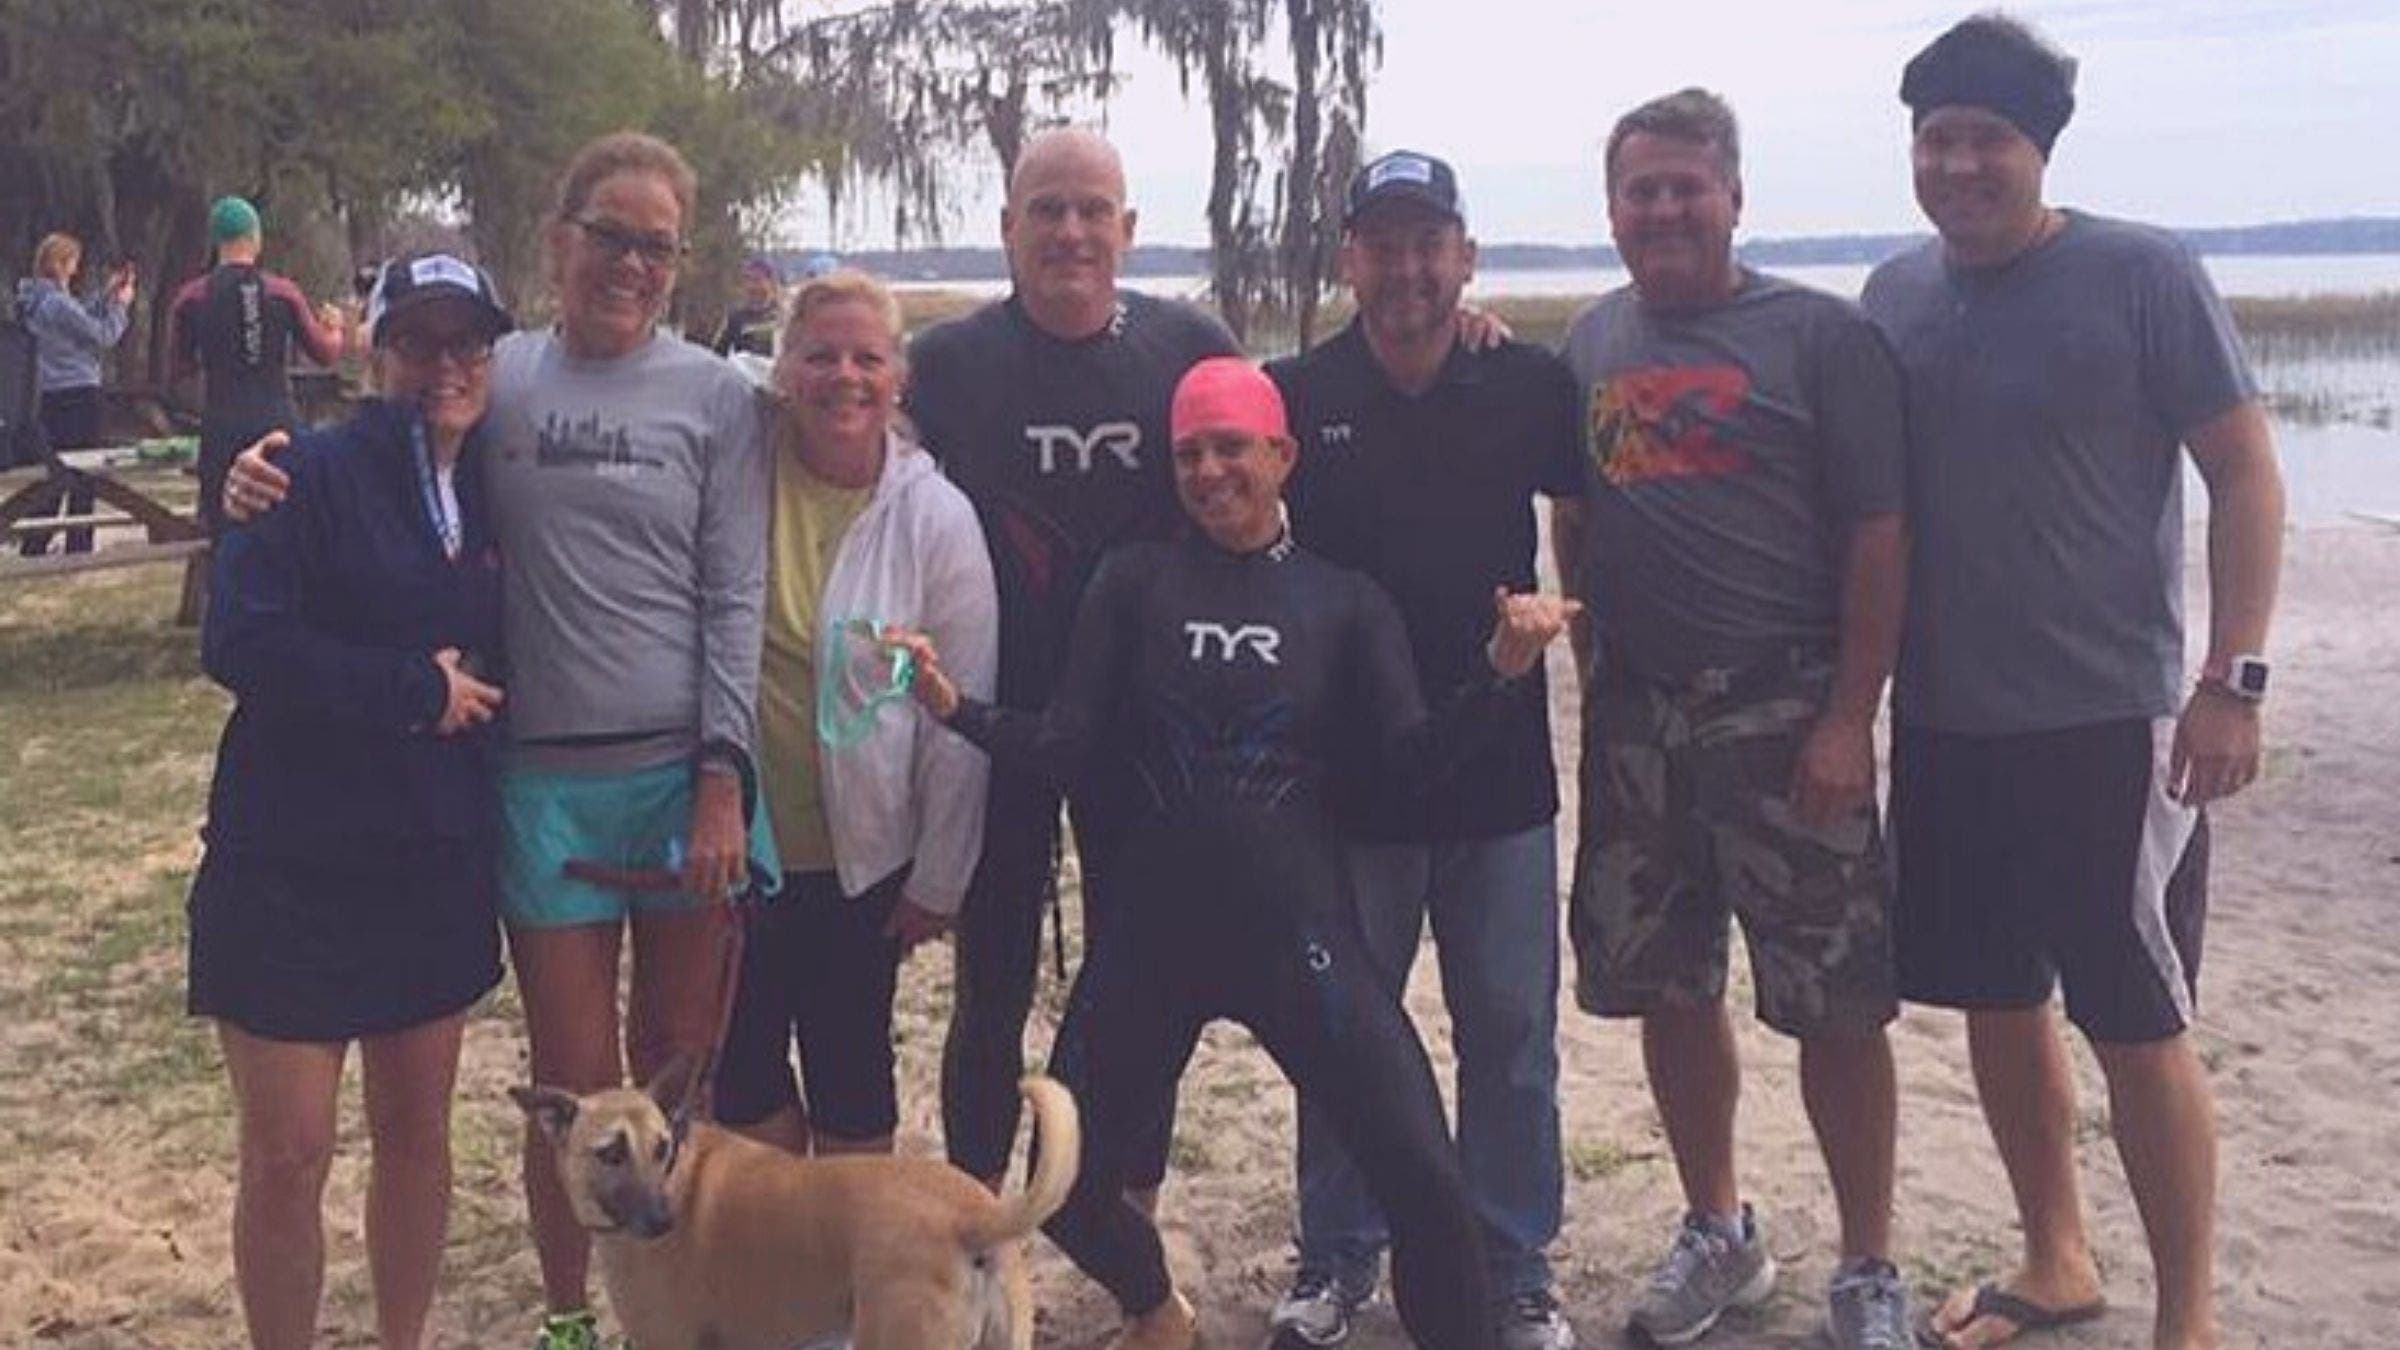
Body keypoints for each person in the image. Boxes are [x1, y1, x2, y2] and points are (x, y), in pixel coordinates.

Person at [890, 356, 1579, 1350]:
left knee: (1428, 1187)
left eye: (1232, 448)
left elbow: (1407, 770)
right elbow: (1072, 746)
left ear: (1284, 455)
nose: (1210, 470)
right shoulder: (1133, 583)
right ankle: (1161, 1310)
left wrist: (1501, 675)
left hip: (1302, 938)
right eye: (1189, 453)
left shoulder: (1346, 603)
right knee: (1066, 1191)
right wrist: (956, 709)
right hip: (1150, 938)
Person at [222, 132, 777, 1350]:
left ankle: (685, 1313)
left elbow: (739, 590)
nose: (629, 263)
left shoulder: (722, 395)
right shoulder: (500, 375)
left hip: (683, 772)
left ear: (679, 262)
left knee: (682, 1070)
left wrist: (725, 779)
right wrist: (260, 477)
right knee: (575, 1094)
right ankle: (574, 1318)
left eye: (655, 244)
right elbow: (380, 461)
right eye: (608, 236)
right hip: (537, 784)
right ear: (559, 238)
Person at [1860, 18, 2284, 1350]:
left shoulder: (2141, 274)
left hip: (2115, 721)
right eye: (1938, 139)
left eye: (1988, 139)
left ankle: (2191, 1316)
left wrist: (2235, 678)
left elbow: (2248, 472)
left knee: (2136, 1016)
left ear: (2039, 148)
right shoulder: (1894, 296)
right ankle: (2057, 1256)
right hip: (1942, 719)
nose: (1960, 163)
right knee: (1994, 996)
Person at [1552, 88, 1911, 1350]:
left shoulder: (1821, 337)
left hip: (1786, 710)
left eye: (1684, 186)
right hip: (1640, 722)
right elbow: (1578, 517)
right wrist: (1596, 652)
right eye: (1639, 190)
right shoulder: (1592, 341)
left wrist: (1847, 714)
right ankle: (1720, 1229)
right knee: (1669, 984)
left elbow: (1880, 536)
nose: (1661, 209)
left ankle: (1869, 1262)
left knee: (1837, 998)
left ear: (1734, 195)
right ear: (1612, 209)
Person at [1261, 150, 1584, 1350]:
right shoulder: (1290, 392)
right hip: (1345, 783)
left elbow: (1592, 531)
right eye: (1383, 244)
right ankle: (1338, 1252)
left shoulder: (1533, 384)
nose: (1407, 268)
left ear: (1465, 257)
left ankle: (1512, 1265)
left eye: (1428, 243)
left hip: (1501, 777)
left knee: (1510, 1034)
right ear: (1348, 259)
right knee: (1345, 1025)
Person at [903, 126, 1241, 1201]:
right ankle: (970, 1213)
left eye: (1093, 209)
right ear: (1007, 230)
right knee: (990, 988)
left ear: (1129, 230)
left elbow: (1274, 473)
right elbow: (848, 452)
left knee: (1143, 976)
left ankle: (1125, 1207)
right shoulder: (950, 363)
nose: (1070, 231)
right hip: (996, 716)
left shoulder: (1192, 345)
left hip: (1146, 726)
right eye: (1046, 209)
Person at [191, 252, 514, 1350]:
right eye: (418, 341)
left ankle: (401, 1340)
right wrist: (413, 689)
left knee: (417, 1134)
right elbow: (238, 640)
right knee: (288, 1151)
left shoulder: (499, 480)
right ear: (374, 353)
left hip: (431, 853)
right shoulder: (300, 471)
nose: (444, 366)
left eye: (466, 342)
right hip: (291, 857)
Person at [711, 268, 999, 1158]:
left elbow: (961, 710)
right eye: (821, 355)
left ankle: (850, 1270)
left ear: (898, 376)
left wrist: (940, 878)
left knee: (850, 1076)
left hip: (862, 858)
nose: (845, 376)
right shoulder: (736, 468)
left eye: (867, 358)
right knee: (737, 1077)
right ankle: (794, 1239)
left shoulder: (935, 517)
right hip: (738, 849)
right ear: (783, 367)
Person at [169, 195, 346, 536]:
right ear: (255, 238)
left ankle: (221, 589)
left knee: (222, 535)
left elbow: (178, 370)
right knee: (288, 531)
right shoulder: (283, 292)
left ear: (215, 240)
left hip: (222, 427)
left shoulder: (191, 297)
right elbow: (326, 354)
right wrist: (335, 329)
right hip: (277, 424)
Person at [14, 231, 134, 555]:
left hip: (50, 395)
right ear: (61, 263)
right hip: (80, 393)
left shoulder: (36, 301)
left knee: (54, 472)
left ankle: (36, 540)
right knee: (86, 472)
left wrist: (104, 296)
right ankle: (79, 544)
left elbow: (78, 316)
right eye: (73, 263)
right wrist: (120, 307)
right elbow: (102, 335)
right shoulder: (56, 304)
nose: (76, 270)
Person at [711, 255, 782, 360]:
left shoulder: (784, 318)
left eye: (757, 280)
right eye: (748, 280)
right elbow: (718, 357)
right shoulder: (735, 318)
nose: (752, 286)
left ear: (771, 282)